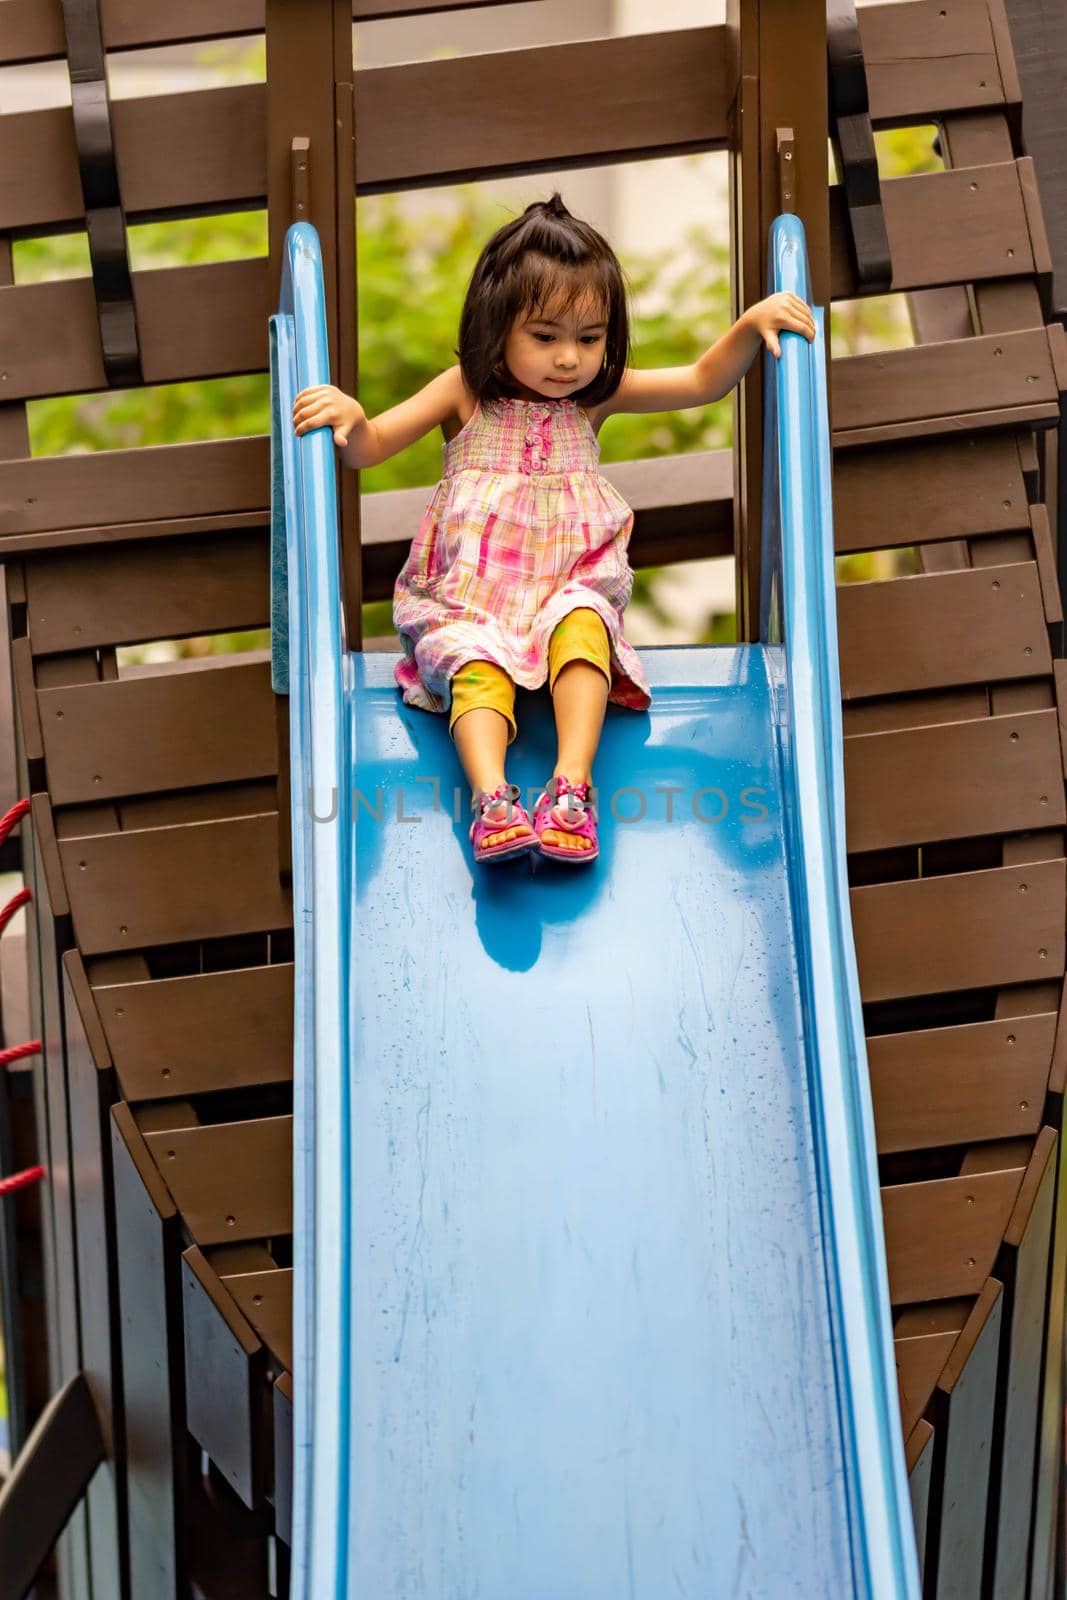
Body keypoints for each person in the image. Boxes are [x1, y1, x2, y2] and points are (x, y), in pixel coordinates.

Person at [291, 194, 814, 868]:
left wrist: (750, 325)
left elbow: (700, 381)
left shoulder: (594, 399)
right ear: (495, 327)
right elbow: (368, 447)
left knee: (584, 627)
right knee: (472, 667)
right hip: (470, 601)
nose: (568, 358)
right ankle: (493, 801)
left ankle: (571, 788)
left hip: (564, 588)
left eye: (589, 338)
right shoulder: (463, 393)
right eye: (545, 336)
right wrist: (348, 418)